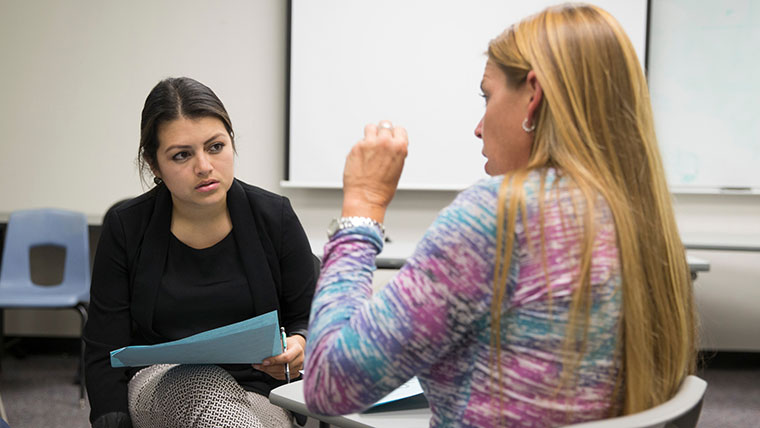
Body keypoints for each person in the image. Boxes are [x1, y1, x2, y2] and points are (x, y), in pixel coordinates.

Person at [303, 4, 696, 427]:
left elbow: (329, 384)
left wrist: (363, 205)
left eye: (487, 96)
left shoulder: (502, 214)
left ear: (533, 97)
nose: (478, 125)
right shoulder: (636, 212)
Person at [84, 77, 317, 428]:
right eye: (182, 155)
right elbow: (104, 348)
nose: (204, 166)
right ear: (153, 164)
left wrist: (298, 346)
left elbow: (312, 320)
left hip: (259, 394)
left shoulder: (275, 216)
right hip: (158, 385)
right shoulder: (126, 227)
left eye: (215, 147)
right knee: (200, 385)